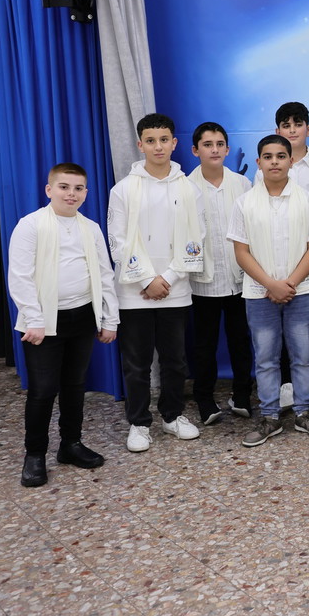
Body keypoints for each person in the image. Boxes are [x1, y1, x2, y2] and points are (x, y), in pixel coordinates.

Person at [8, 163, 118, 487]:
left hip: (82, 316)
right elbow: (20, 276)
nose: (71, 194)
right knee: (43, 390)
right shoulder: (30, 225)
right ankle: (34, 455)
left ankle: (70, 444)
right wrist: (34, 319)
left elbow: (105, 274)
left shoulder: (90, 228)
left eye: (78, 188)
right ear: (49, 190)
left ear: (86, 192)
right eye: (64, 187)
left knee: (74, 385)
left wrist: (109, 318)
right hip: (43, 321)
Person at [108, 113, 205, 452]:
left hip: (175, 289)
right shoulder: (123, 189)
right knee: (136, 363)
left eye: (164, 140)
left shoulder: (189, 188)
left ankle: (172, 416)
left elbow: (197, 238)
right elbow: (118, 242)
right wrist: (148, 279)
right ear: (140, 144)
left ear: (174, 143)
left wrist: (169, 277)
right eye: (151, 141)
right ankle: (138, 423)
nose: (158, 146)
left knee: (174, 360)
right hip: (135, 291)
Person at [232, 135, 309, 446]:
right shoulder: (245, 203)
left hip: (301, 292)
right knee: (265, 357)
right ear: (259, 162)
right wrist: (271, 284)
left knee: (303, 355)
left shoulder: (307, 200)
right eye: (268, 156)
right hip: (259, 294)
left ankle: (304, 412)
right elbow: (241, 252)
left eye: (280, 156)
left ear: (291, 161)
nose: (274, 161)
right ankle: (270, 417)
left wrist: (289, 284)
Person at [256, 102, 309, 411]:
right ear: (278, 130)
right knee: (277, 329)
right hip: (275, 266)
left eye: (297, 124)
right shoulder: (264, 171)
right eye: (285, 125)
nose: (292, 130)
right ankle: (286, 384)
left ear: (308, 129)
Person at [188, 122, 254, 423]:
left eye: (219, 144)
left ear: (227, 149)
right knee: (204, 344)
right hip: (202, 281)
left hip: (240, 278)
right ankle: (204, 399)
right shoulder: (185, 188)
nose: (214, 150)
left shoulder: (242, 185)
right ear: (195, 150)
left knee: (241, 340)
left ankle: (242, 395)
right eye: (207, 144)